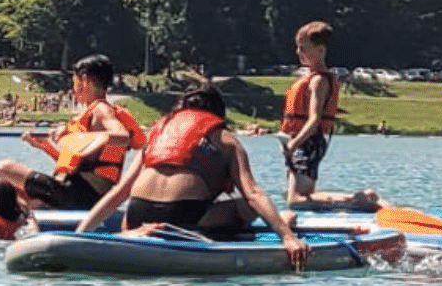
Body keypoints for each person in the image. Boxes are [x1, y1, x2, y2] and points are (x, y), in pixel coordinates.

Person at [76, 83, 308, 270]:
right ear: (217, 112)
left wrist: (81, 233)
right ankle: (261, 226)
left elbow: (121, 192)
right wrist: (287, 236)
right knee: (245, 208)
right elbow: (253, 193)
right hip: (183, 217)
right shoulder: (224, 138)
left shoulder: (158, 131)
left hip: (137, 214)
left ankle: (138, 232)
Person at [0, 54, 146, 210]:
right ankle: (35, 209)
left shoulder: (101, 109)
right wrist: (47, 147)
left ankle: (36, 207)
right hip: (78, 194)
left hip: (79, 196)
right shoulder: (94, 113)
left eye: (74, 82)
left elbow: (122, 136)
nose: (73, 89)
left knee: (3, 167)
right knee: (10, 191)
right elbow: (80, 168)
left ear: (84, 80)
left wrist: (80, 137)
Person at [279, 21, 378, 209]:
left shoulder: (318, 81)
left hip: (307, 142)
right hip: (301, 141)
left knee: (297, 200)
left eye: (303, 48)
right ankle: (356, 200)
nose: (298, 52)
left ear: (320, 50)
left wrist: (294, 143)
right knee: (296, 197)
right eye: (297, 47)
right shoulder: (312, 78)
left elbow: (315, 120)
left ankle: (358, 200)